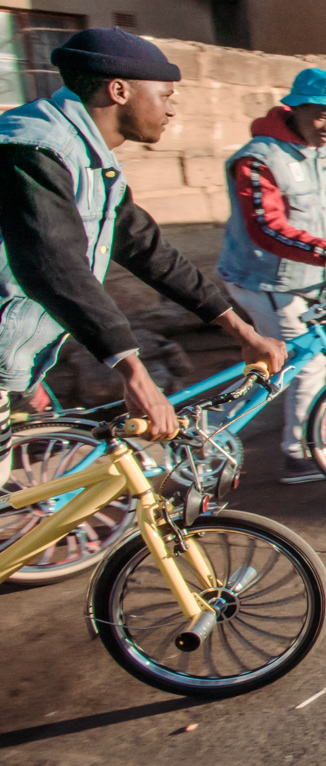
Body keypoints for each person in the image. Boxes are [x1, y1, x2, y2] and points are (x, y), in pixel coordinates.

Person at [0, 29, 285, 477]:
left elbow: (147, 249)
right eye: (166, 95)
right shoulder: (34, 150)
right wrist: (132, 369)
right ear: (119, 90)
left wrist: (238, 329)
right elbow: (52, 264)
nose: (172, 107)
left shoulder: (92, 161)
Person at [219, 67, 326, 484]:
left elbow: (318, 218)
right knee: (301, 364)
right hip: (263, 279)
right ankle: (298, 454)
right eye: (321, 115)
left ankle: (217, 432)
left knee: (282, 364)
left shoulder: (319, 155)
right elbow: (265, 227)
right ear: (295, 109)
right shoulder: (258, 158)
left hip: (300, 279)